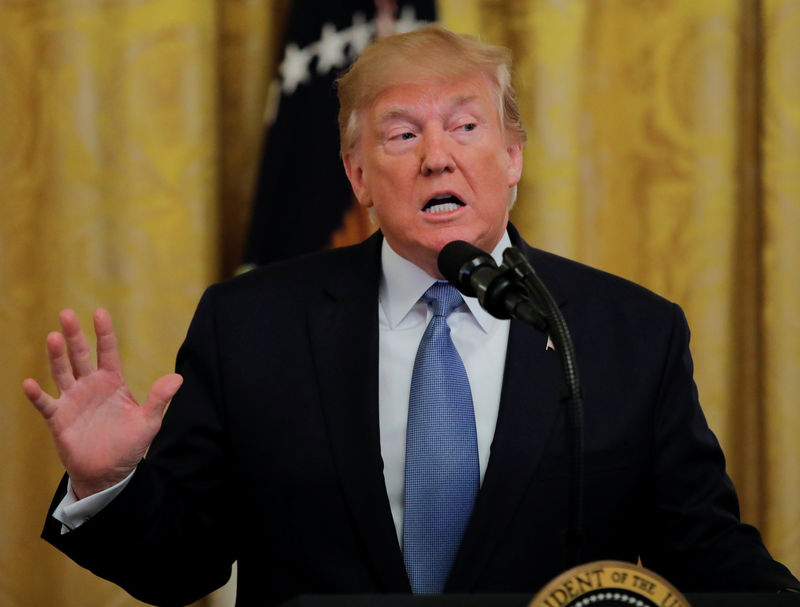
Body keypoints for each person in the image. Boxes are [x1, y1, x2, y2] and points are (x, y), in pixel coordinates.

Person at [25, 25, 798, 607]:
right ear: (358, 174)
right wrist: (111, 482)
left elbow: (703, 550)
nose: (438, 156)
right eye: (402, 134)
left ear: (514, 157)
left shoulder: (629, 332)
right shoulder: (250, 325)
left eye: (466, 126)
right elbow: (182, 565)